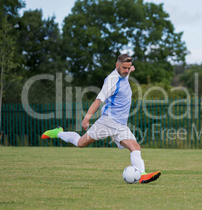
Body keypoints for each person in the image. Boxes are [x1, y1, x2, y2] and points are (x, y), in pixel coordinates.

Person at [41, 54, 161, 184]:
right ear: (117, 65)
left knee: (135, 147)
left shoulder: (125, 74)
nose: (126, 71)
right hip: (108, 122)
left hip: (120, 125)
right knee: (81, 143)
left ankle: (142, 175)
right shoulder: (111, 81)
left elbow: (127, 72)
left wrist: (130, 70)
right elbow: (98, 101)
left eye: (128, 68)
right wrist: (86, 119)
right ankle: (58, 132)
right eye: (124, 68)